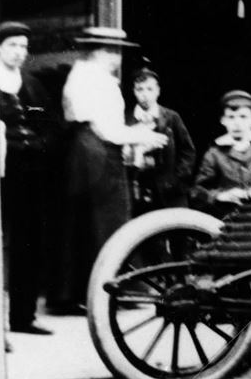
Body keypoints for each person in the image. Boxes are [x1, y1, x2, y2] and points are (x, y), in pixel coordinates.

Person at [53, 27, 168, 315]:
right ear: (99, 51)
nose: (117, 55)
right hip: (96, 152)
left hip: (92, 149)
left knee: (91, 222)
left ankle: (85, 291)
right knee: (106, 220)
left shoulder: (89, 76)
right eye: (112, 49)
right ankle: (108, 290)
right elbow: (105, 128)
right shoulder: (93, 79)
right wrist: (140, 135)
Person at [0, 21, 57, 334]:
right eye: (12, 46)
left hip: (29, 175)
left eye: (23, 46)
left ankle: (23, 317)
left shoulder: (32, 84)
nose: (20, 52)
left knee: (28, 242)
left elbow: (50, 124)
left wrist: (40, 143)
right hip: (0, 173)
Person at [125, 68, 197, 214]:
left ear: (158, 91)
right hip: (139, 188)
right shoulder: (127, 119)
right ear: (133, 91)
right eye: (140, 89)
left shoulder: (171, 117)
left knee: (175, 226)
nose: (144, 94)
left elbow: (187, 151)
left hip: (169, 190)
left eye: (150, 89)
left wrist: (177, 179)